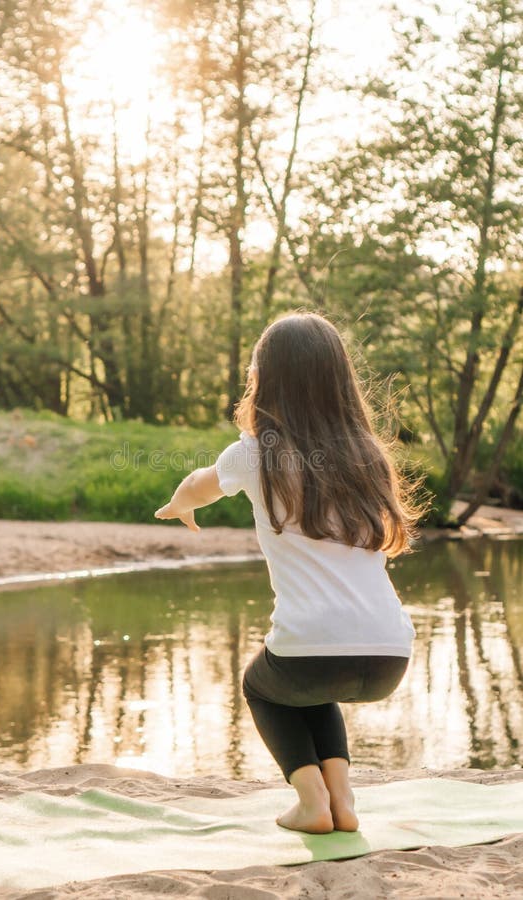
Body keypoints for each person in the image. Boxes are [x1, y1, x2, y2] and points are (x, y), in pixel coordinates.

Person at [155, 310, 426, 835]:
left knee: (262, 687)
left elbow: (199, 484)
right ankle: (342, 799)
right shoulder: (368, 455)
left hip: (310, 649)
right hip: (392, 653)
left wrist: (177, 505)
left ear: (266, 381)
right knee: (310, 686)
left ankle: (311, 801)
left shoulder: (255, 453)